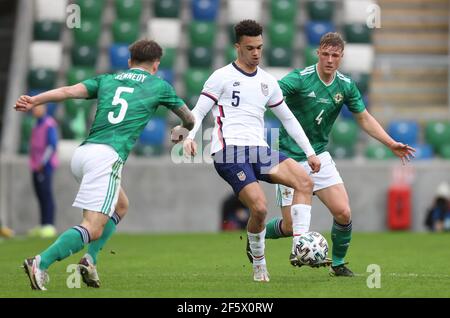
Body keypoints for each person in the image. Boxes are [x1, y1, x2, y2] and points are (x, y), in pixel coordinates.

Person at [14, 39, 195, 290]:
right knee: (93, 228)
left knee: (121, 206)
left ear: (130, 62)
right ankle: (40, 262)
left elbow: (67, 91)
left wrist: (35, 101)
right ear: (156, 65)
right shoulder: (160, 85)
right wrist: (179, 135)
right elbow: (189, 118)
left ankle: (90, 259)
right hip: (106, 158)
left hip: (83, 154)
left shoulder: (108, 79)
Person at [264, 32, 416, 277]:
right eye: (325, 54)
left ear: (341, 57)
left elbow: (364, 118)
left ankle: (338, 263)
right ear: (318, 53)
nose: (330, 60)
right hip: (287, 157)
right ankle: (259, 234)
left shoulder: (345, 85)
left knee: (343, 212)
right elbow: (269, 96)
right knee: (291, 225)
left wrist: (390, 143)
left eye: (335, 55)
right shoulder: (300, 79)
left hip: (319, 156)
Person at [180, 20, 321, 282]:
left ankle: (299, 247)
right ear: (237, 47)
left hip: (259, 150)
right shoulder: (221, 77)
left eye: (259, 47)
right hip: (229, 151)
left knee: (304, 181)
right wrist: (189, 136)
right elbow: (197, 112)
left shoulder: (268, 81)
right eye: (250, 48)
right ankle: (259, 264)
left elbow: (288, 119)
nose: (256, 53)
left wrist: (310, 152)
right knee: (260, 208)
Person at [28, 104, 59, 238]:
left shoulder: (49, 124)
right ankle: (42, 225)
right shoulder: (36, 124)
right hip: (35, 165)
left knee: (46, 194)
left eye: (38, 107)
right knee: (40, 194)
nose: (35, 109)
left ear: (44, 109)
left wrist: (42, 162)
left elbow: (52, 145)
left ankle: (49, 225)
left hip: (44, 166)